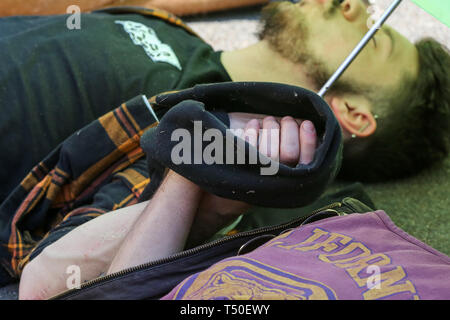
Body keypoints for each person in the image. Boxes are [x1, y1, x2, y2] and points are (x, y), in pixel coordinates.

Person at [0, 0, 448, 295]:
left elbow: (51, 284)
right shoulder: (175, 30)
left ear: (355, 113)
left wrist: (204, 193)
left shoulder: (204, 138)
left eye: (377, 37)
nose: (354, 4)